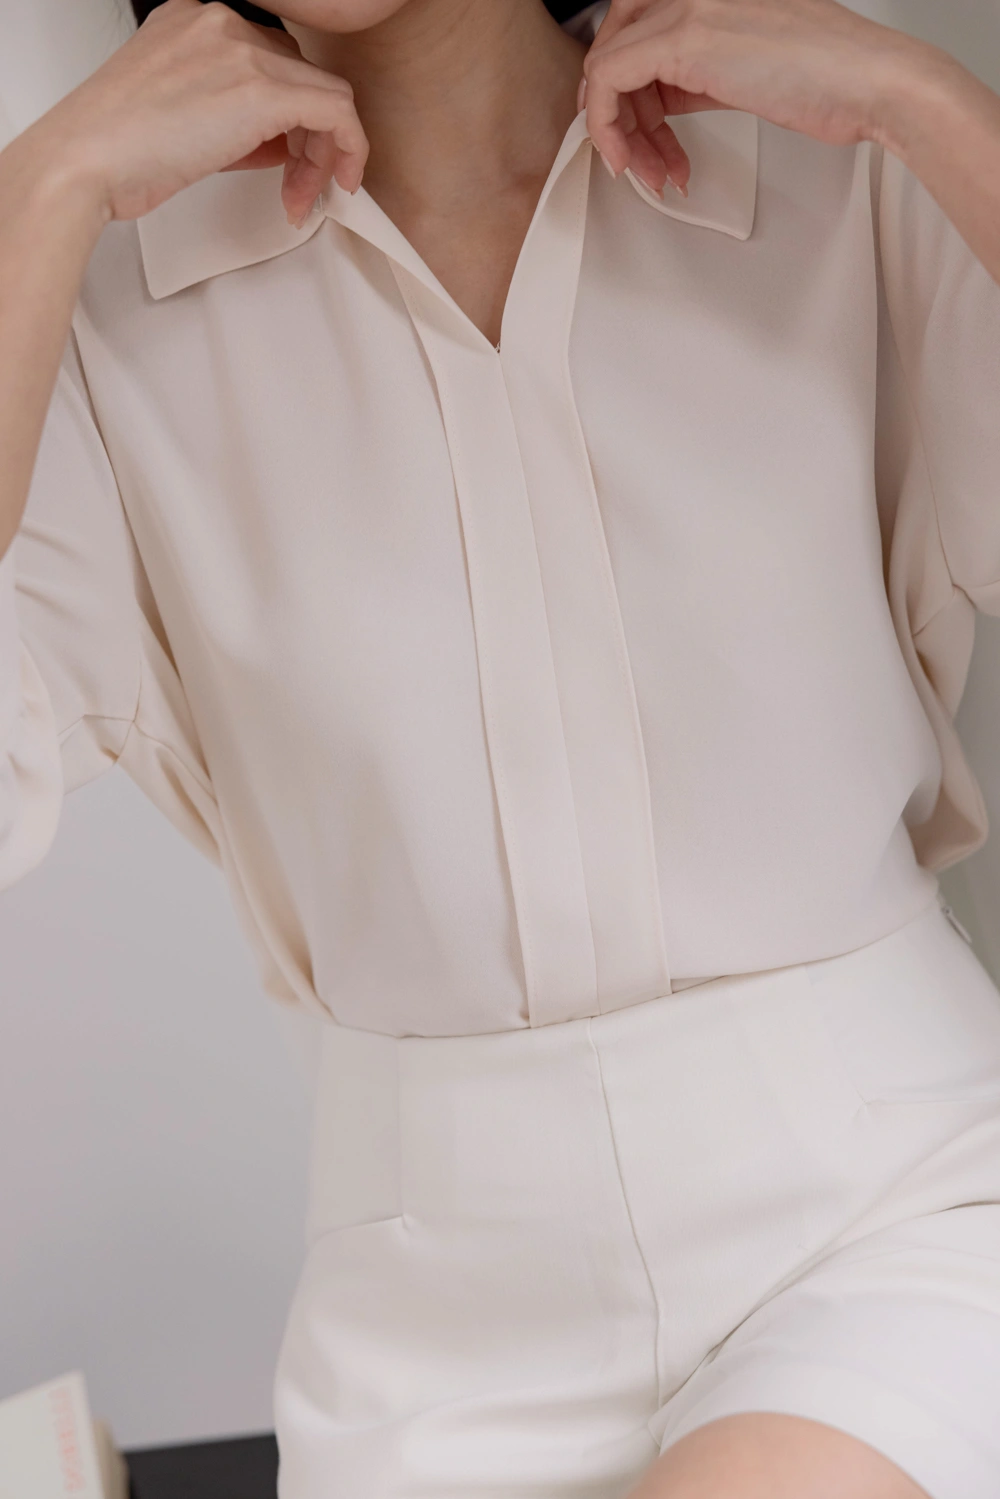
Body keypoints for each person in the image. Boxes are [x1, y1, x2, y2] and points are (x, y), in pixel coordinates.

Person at [2, 0, 1000, 1493]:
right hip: (425, 1340)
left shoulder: (829, 167)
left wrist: (925, 98)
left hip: (888, 1216)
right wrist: (34, 195)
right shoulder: (88, 310)